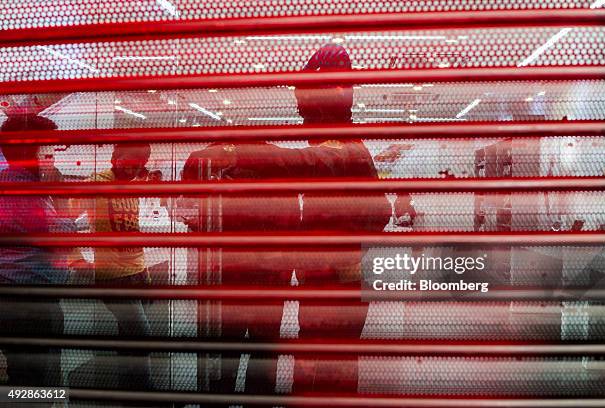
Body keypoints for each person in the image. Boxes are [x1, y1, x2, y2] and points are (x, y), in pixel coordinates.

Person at [178, 45, 417, 393]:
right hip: (323, 291)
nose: (304, 126)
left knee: (322, 378)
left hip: (333, 295)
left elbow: (308, 162)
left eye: (307, 116)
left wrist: (236, 149)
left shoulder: (344, 148)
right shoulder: (347, 153)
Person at [69, 143, 153, 390]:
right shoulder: (97, 183)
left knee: (129, 340)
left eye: (143, 161)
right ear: (115, 157)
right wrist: (76, 258)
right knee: (143, 337)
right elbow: (63, 220)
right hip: (113, 278)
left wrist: (144, 267)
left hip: (138, 273)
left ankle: (128, 392)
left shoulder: (132, 187)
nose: (138, 166)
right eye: (133, 159)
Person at [0, 114, 74, 390]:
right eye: (48, 150)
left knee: (27, 376)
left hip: (18, 298)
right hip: (30, 305)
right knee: (36, 383)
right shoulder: (25, 193)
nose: (52, 157)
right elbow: (57, 237)